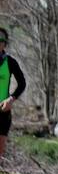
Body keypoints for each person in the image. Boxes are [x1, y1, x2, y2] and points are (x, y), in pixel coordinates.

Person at [0, 27, 27, 160]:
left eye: (1, 40)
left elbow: (22, 83)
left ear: (5, 43)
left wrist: (11, 99)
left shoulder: (10, 62)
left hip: (3, 110)